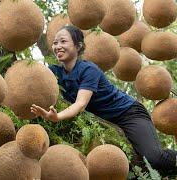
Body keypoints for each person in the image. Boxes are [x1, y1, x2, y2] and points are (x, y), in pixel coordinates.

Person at [30, 25, 177, 175]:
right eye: (55, 43)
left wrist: (57, 117)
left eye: (63, 41)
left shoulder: (88, 70)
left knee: (155, 159)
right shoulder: (55, 72)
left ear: (78, 46)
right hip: (107, 122)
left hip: (129, 114)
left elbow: (80, 104)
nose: (58, 46)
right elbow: (36, 79)